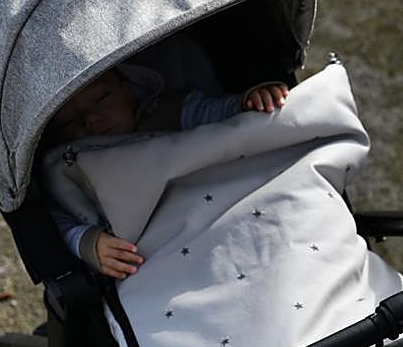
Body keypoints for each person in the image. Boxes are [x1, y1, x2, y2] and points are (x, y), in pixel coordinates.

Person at [41, 34, 288, 278]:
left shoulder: (168, 112)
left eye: (102, 98)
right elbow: (60, 219)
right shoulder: (68, 163)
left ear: (128, 92)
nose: (92, 119)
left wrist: (247, 102)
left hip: (213, 204)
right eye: (69, 122)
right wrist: (88, 242)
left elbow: (220, 120)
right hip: (148, 248)